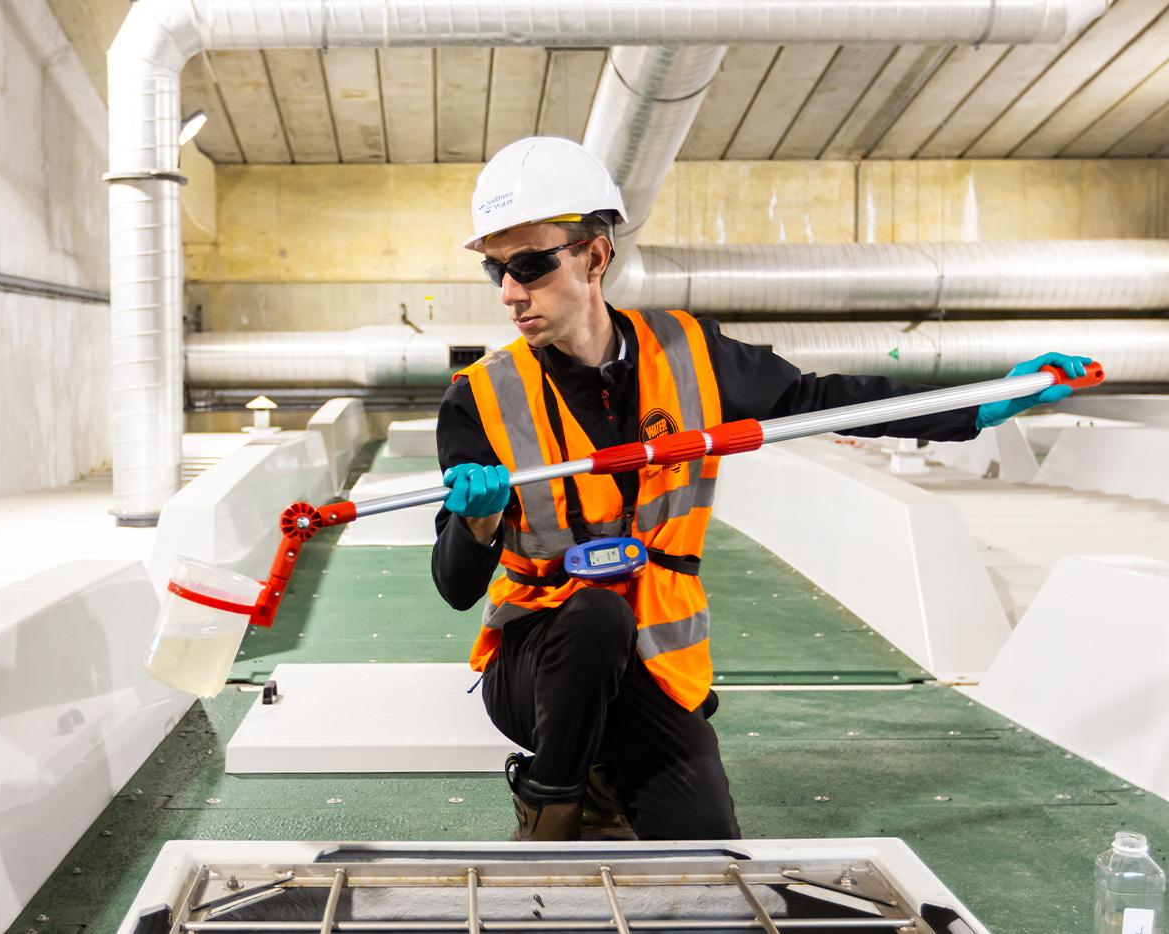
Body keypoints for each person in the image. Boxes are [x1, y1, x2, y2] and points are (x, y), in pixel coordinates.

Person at [431, 136, 1091, 843]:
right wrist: (474, 522)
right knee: (594, 617)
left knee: (705, 838)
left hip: (654, 660)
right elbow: (456, 586)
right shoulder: (482, 400)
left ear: (596, 256)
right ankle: (553, 802)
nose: (509, 292)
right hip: (537, 666)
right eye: (496, 269)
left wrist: (981, 402)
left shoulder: (690, 355)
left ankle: (605, 763)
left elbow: (822, 400)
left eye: (530, 264)